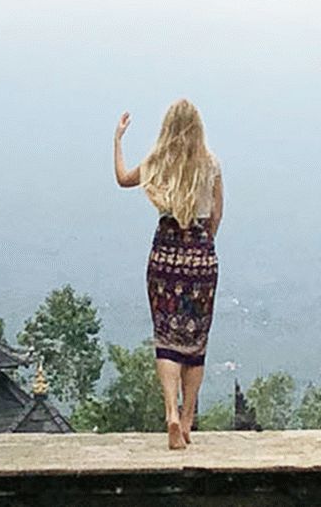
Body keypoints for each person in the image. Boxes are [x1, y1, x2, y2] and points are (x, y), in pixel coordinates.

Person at [112, 99, 223, 450]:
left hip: (165, 254)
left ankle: (170, 413)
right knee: (195, 341)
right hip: (201, 254)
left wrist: (118, 140)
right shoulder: (211, 164)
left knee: (166, 337)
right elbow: (217, 214)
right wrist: (202, 247)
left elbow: (123, 178)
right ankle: (188, 417)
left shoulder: (157, 162)